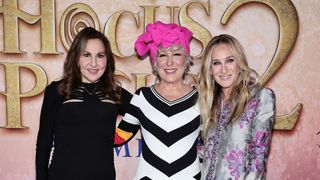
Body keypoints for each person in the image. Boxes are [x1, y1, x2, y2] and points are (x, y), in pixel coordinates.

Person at [35, 27, 132, 180]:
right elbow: (43, 143)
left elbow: (143, 112)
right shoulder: (57, 90)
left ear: (107, 60)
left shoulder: (115, 92)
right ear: (76, 58)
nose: (94, 63)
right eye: (86, 55)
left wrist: (119, 138)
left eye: (100, 55)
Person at [114, 21, 201, 179]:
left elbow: (218, 141)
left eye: (176, 54)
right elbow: (119, 137)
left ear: (186, 59)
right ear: (155, 62)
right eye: (162, 55)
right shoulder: (142, 97)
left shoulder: (202, 98)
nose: (169, 62)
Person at [197, 34, 276, 180]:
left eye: (229, 61)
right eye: (216, 63)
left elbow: (258, 161)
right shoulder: (209, 104)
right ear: (209, 69)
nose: (224, 70)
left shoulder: (260, 97)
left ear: (239, 63)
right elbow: (205, 151)